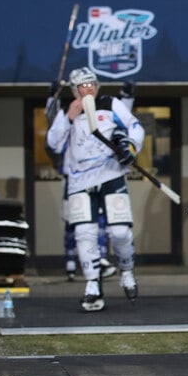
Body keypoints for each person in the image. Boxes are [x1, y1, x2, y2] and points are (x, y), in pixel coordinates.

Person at [46, 68, 145, 312]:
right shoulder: (68, 110)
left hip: (111, 173)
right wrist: (69, 117)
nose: (88, 88)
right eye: (83, 85)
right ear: (74, 89)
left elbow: (135, 126)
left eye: (92, 84)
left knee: (120, 232)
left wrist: (131, 146)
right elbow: (53, 143)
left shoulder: (111, 104)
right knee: (85, 232)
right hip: (79, 180)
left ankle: (127, 271)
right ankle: (92, 283)